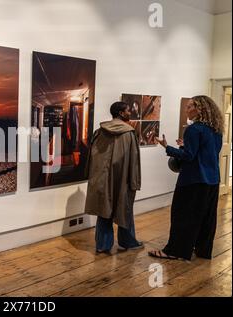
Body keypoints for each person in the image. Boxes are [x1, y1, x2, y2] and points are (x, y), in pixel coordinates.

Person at [149, 96, 224, 261]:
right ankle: (203, 251)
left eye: (190, 107)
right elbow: (206, 153)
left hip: (193, 180)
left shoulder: (194, 129)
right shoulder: (216, 129)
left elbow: (189, 157)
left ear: (200, 109)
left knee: (183, 216)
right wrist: (185, 145)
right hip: (212, 180)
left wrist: (167, 147)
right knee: (206, 218)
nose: (186, 109)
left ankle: (176, 251)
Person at [84, 101, 143, 254]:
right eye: (128, 110)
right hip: (123, 179)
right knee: (125, 209)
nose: (130, 113)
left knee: (104, 210)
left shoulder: (99, 131)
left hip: (102, 178)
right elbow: (134, 161)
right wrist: (134, 181)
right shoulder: (129, 133)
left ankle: (103, 245)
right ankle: (128, 242)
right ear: (122, 113)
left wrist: (91, 177)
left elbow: (92, 157)